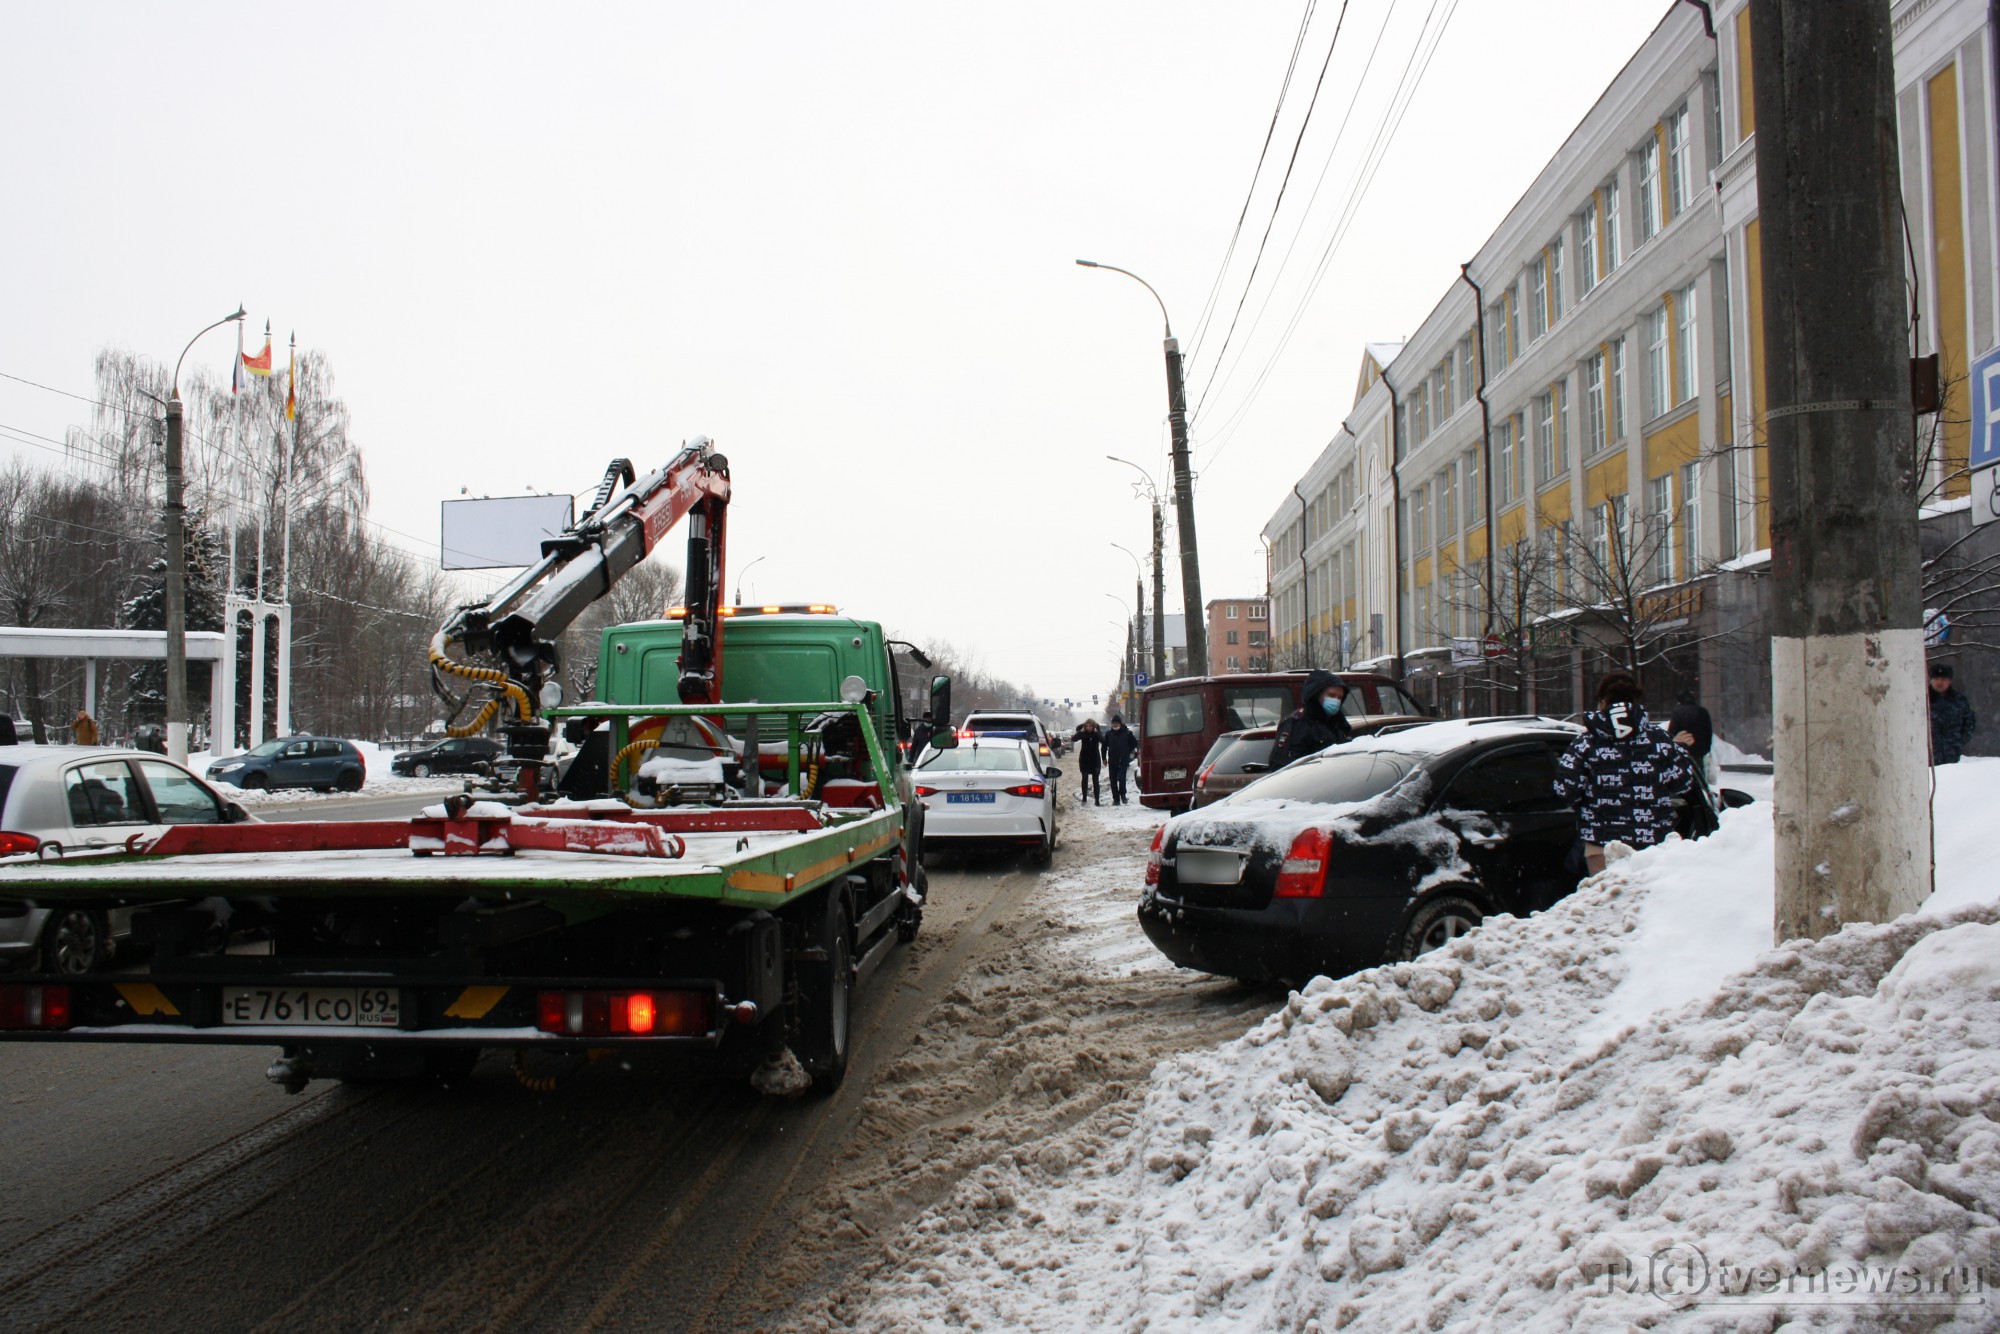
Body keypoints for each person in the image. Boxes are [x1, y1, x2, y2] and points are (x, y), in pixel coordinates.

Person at [1555, 673, 1696, 875]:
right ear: (1635, 701)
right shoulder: (1659, 740)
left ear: (1602, 702)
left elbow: (1565, 790)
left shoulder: (1585, 743)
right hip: (1651, 848)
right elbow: (1683, 782)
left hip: (1602, 845)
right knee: (1647, 903)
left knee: (1608, 903)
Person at [1271, 670, 1353, 768]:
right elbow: (1280, 764)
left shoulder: (1339, 723)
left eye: (1340, 698)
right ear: (1317, 694)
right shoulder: (1297, 723)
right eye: (1331, 695)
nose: (1336, 701)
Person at [1666, 694, 1719, 840]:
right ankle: (1698, 797)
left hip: (1682, 751)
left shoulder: (1677, 713)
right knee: (1697, 780)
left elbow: (1671, 733)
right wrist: (1703, 749)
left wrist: (1675, 746)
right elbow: (1708, 732)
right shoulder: (1702, 712)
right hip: (1697, 752)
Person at [1928, 662, 1977, 765]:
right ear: (1931, 680)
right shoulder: (1923, 701)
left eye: (1943, 679)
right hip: (1927, 757)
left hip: (1952, 756)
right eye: (1936, 679)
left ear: (1949, 681)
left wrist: (1958, 742)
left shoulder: (1959, 700)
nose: (1939, 682)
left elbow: (1969, 722)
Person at [1102, 715, 1139, 805]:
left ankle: (1123, 795)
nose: (1115, 725)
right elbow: (1104, 746)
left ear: (1120, 723)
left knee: (1122, 779)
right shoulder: (1108, 734)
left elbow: (1134, 743)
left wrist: (1128, 750)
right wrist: (1104, 758)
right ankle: (1116, 799)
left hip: (1123, 760)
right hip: (1112, 760)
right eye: (1113, 723)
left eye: (1116, 723)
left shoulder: (1126, 733)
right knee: (1113, 780)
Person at [1070, 719, 1104, 806]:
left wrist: (1097, 732)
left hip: (1095, 759)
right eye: (1087, 726)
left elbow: (1103, 741)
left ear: (1093, 727)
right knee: (1084, 778)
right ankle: (1084, 798)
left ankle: (1097, 800)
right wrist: (1081, 732)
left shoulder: (1096, 734)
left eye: (1090, 726)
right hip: (1084, 759)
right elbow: (1073, 739)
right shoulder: (1083, 733)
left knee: (1095, 780)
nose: (1089, 728)